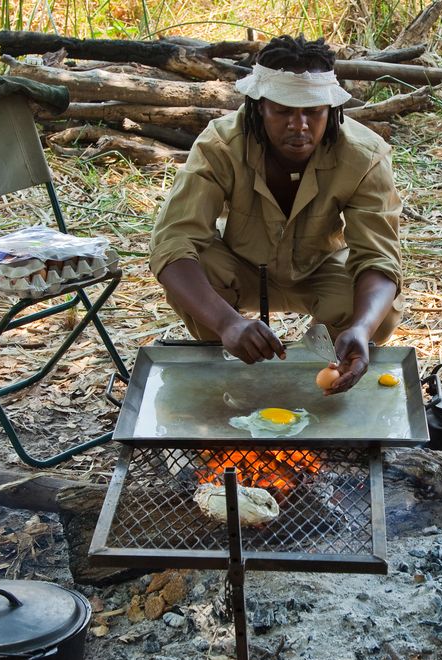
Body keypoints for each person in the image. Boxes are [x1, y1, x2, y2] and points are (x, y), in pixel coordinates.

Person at [149, 34, 403, 395]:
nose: (299, 126)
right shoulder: (220, 145)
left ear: (331, 110)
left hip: (321, 266)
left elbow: (379, 257)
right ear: (258, 107)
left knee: (380, 309)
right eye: (283, 110)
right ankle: (232, 355)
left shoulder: (365, 154)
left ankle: (326, 367)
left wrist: (362, 328)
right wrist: (227, 323)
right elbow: (172, 244)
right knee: (193, 269)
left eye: (313, 111)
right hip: (241, 266)